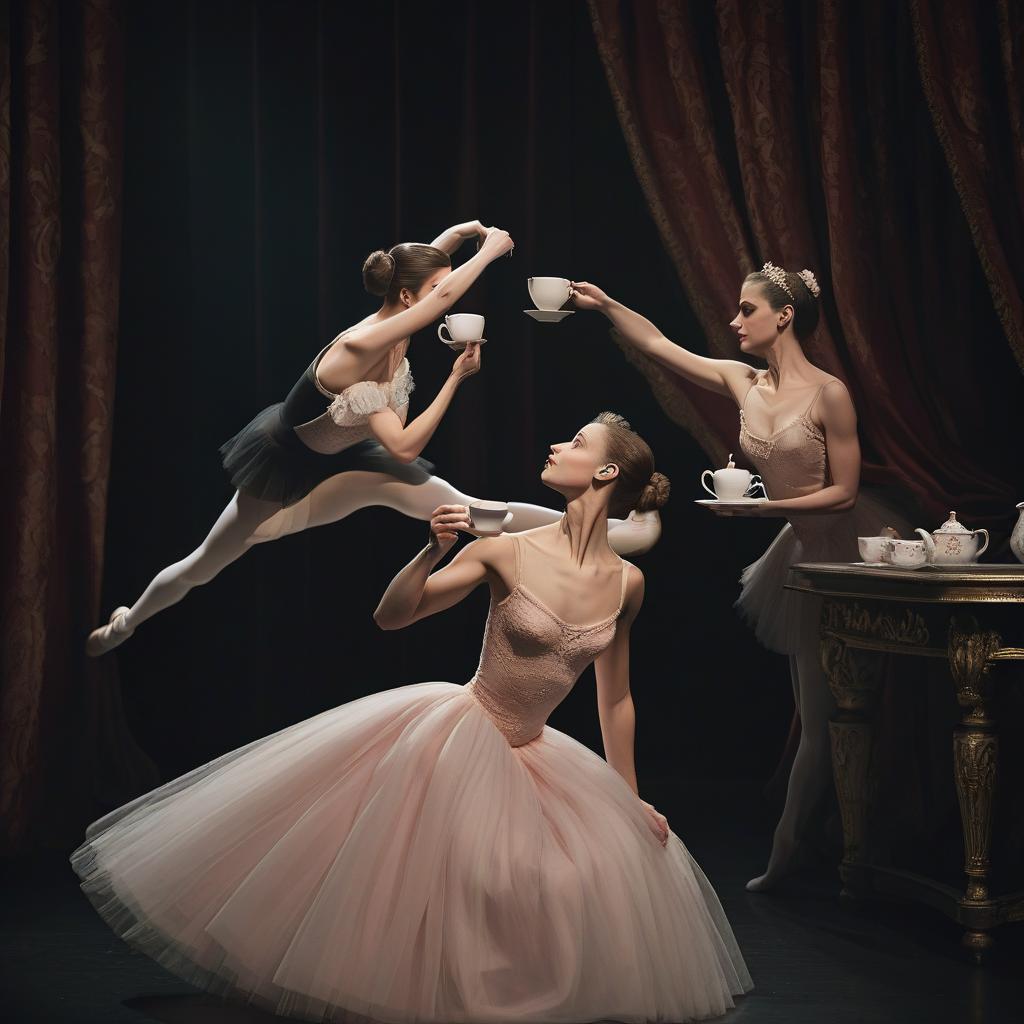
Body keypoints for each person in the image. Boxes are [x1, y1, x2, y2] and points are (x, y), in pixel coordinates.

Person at [72, 412, 751, 1024]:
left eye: (574, 441)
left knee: (574, 875)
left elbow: (616, 697)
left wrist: (628, 799)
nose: (555, 443)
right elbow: (392, 615)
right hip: (461, 731)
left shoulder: (627, 583)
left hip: (536, 750)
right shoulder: (507, 550)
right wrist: (432, 549)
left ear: (604, 472)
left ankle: (498, 995)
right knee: (459, 869)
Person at [86, 222, 660, 656]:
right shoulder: (359, 348)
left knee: (471, 508)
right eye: (441, 289)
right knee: (206, 563)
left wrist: (462, 235)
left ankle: (616, 532)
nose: (449, 297)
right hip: (288, 465)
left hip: (356, 459)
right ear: (412, 300)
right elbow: (406, 443)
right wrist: (481, 274)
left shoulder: (401, 312)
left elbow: (423, 279)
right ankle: (127, 621)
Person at [571, 267, 907, 891]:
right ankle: (809, 847)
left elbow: (845, 492)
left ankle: (789, 852)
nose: (734, 321)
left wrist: (762, 509)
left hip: (844, 551)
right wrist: (608, 301)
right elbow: (659, 347)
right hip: (797, 550)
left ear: (783, 316)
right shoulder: (742, 381)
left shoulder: (829, 394)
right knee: (815, 710)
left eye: (746, 310)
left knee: (827, 711)